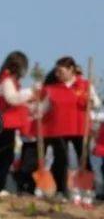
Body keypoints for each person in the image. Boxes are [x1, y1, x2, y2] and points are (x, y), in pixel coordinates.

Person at [41, 56, 99, 200]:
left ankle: (87, 190)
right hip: (58, 129)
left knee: (83, 158)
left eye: (60, 71)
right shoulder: (52, 88)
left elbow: (97, 103)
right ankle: (61, 190)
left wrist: (91, 100)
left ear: (71, 70)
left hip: (80, 128)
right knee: (60, 159)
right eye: (56, 72)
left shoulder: (85, 85)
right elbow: (43, 108)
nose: (57, 74)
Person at [0, 51, 33, 196]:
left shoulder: (8, 80)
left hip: (6, 125)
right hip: (4, 125)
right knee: (3, 157)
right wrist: (31, 92)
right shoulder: (7, 80)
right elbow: (12, 99)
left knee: (4, 157)